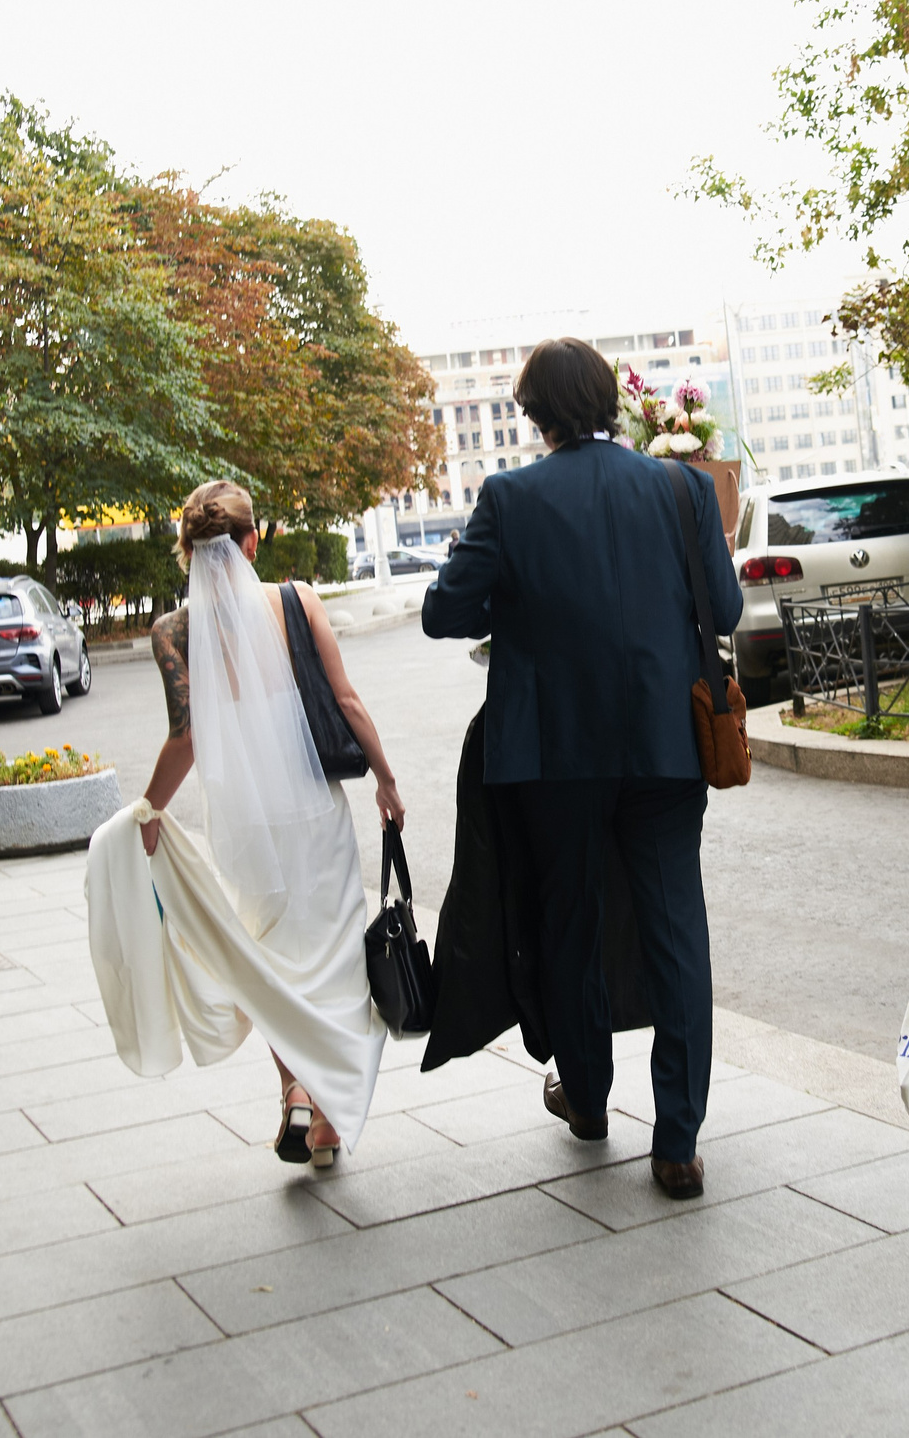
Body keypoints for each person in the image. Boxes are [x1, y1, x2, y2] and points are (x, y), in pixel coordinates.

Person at [421, 336, 743, 1200]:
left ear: (533, 413)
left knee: (569, 919)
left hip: (551, 754)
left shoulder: (510, 498)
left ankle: (590, 1100)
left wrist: (499, 584)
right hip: (666, 744)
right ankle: (677, 1140)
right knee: (678, 931)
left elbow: (443, 614)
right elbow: (731, 603)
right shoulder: (681, 488)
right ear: (610, 403)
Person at [138, 480, 401, 1166]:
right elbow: (345, 698)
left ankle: (294, 1094)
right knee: (336, 959)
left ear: (187, 553)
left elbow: (186, 738)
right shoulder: (296, 600)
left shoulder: (173, 631)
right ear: (254, 540)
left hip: (244, 826)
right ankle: (329, 1122)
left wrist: (149, 808)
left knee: (271, 962)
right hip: (315, 810)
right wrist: (387, 781)